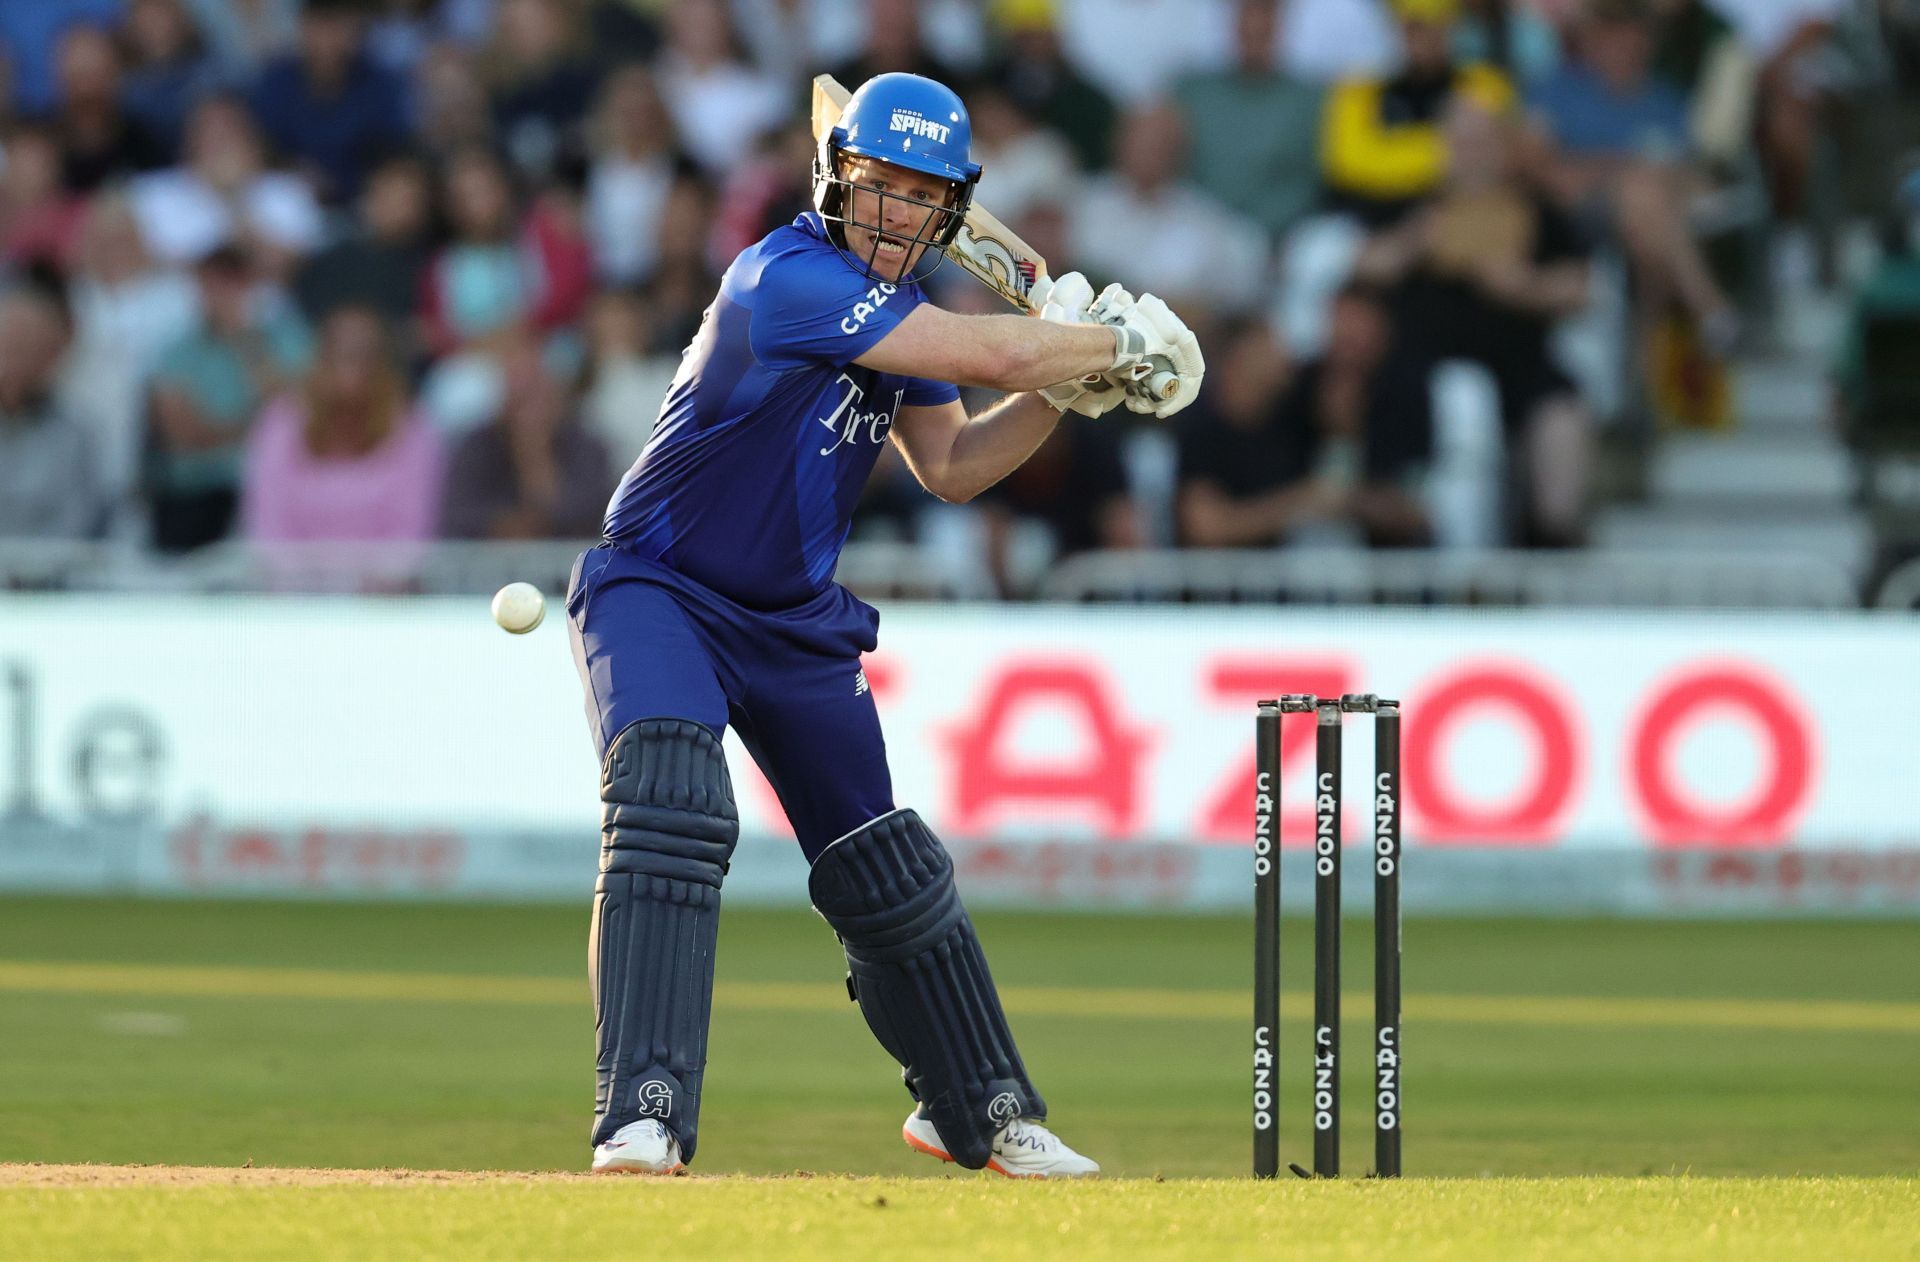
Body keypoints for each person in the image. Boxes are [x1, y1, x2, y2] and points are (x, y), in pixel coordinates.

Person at [567, 72, 1201, 1179]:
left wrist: (1065, 388)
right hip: (660, 584)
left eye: (921, 198)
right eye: (878, 189)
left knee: (886, 864)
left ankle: (980, 1107)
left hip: (794, 619)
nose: (896, 215)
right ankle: (644, 1109)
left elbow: (954, 465)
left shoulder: (897, 314)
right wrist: (1102, 348)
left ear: (953, 211)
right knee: (670, 795)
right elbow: (992, 351)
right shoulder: (788, 275)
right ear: (835, 183)